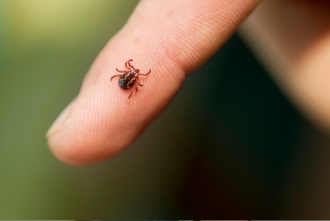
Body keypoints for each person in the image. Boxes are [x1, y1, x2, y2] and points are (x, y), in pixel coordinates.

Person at [46, 0, 330, 165]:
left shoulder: (129, 77)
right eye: (129, 76)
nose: (130, 77)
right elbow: (129, 81)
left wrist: (128, 82)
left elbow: (126, 79)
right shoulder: (132, 79)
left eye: (129, 76)